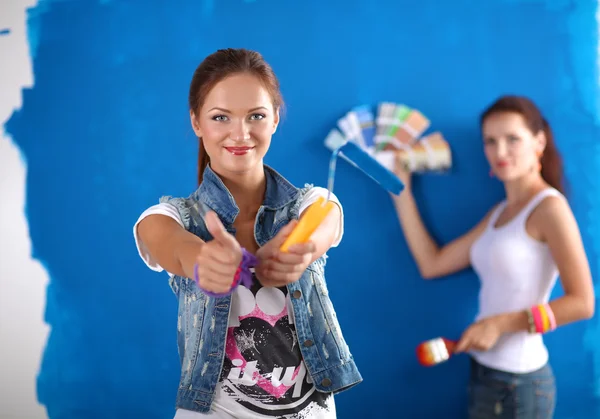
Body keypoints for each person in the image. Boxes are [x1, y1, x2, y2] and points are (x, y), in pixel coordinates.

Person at [133, 48, 362, 418]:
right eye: (220, 117)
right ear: (196, 122)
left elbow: (326, 218)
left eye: (256, 116)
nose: (240, 134)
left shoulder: (309, 203)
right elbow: (165, 240)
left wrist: (300, 249)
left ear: (274, 120)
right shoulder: (172, 216)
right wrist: (200, 260)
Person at [392, 95, 594, 418]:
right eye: (490, 141)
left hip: (522, 383)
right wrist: (400, 191)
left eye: (512, 139)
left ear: (539, 142)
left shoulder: (550, 208)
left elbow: (583, 303)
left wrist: (500, 324)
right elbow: (432, 263)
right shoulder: (499, 213)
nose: (500, 152)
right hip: (483, 371)